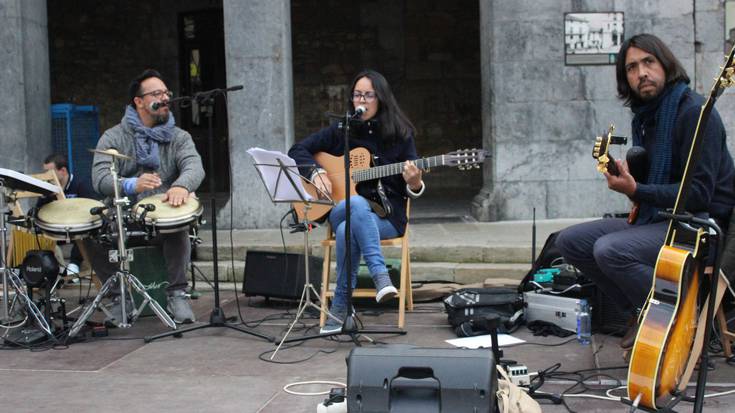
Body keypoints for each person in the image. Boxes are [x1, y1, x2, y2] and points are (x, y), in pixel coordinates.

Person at [555, 33, 735, 350]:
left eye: (648, 62)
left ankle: (678, 319)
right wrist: (631, 186)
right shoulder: (646, 118)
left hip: (700, 225)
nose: (641, 73)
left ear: (665, 64)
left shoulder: (693, 112)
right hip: (660, 219)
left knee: (611, 250)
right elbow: (652, 190)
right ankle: (639, 311)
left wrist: (639, 189)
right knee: (569, 241)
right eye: (631, 68)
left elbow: (699, 195)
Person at [289, 69, 425, 334]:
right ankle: (380, 276)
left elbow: (413, 184)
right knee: (356, 205)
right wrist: (316, 172)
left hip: (387, 216)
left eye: (368, 95)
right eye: (357, 95)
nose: (361, 101)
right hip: (339, 209)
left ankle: (339, 308)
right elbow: (297, 150)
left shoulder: (401, 133)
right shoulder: (343, 129)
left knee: (347, 226)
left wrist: (414, 182)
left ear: (381, 98)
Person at [88, 69, 205, 325]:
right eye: (156, 93)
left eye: (166, 93)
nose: (164, 98)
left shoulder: (179, 136)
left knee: (178, 226)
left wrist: (182, 186)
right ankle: (119, 296)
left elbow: (194, 166)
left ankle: (177, 294)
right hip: (124, 213)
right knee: (90, 230)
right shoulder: (113, 136)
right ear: (138, 102)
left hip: (161, 212)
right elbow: (99, 179)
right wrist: (131, 185)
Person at [37, 153, 97, 280]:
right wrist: (44, 197)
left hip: (77, 230)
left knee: (83, 235)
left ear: (63, 171)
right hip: (56, 232)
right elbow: (38, 212)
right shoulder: (48, 190)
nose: (47, 177)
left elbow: (91, 211)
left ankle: (74, 265)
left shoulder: (81, 184)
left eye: (50, 172)